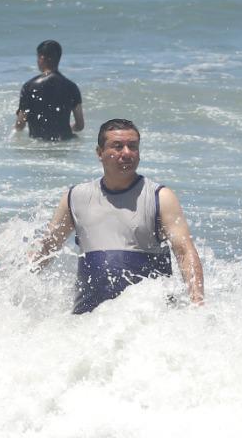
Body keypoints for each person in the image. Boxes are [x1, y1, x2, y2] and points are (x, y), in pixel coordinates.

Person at [33, 118, 204, 314]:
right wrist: (13, 282)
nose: (127, 153)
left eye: (133, 147)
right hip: (86, 321)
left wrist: (197, 303)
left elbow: (184, 252)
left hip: (149, 322)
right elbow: (47, 248)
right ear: (99, 153)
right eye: (117, 146)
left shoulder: (160, 196)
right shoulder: (75, 197)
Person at [14, 39, 84, 141]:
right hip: (64, 143)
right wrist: (68, 128)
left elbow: (20, 125)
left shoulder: (29, 86)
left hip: (38, 144)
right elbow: (80, 125)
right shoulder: (71, 87)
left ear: (42, 58)